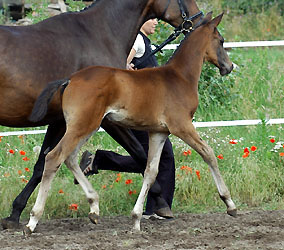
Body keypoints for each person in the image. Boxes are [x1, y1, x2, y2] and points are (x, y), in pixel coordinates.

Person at [77, 19, 175, 219]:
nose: (156, 22)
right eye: (152, 18)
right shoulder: (137, 40)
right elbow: (119, 68)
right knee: (160, 158)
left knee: (154, 158)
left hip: (145, 109)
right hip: (137, 110)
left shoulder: (143, 41)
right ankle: (156, 208)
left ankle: (101, 160)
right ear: (141, 20)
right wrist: (128, 71)